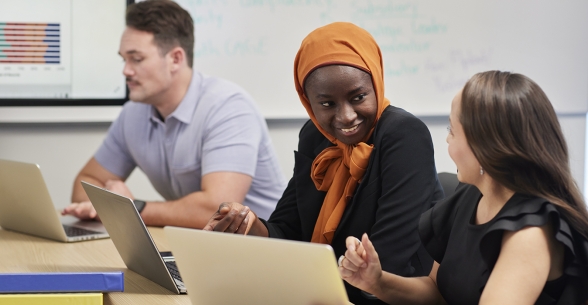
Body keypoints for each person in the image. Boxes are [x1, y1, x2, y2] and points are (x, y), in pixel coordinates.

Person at [203, 22, 444, 305]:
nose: (346, 117)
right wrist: (249, 225)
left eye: (358, 97)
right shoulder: (315, 135)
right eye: (327, 104)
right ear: (308, 102)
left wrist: (301, 283)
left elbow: (387, 262)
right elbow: (289, 232)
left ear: (376, 83)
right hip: (325, 293)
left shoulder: (403, 135)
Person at [339, 71, 588, 304]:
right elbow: (437, 292)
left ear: (485, 148)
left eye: (452, 131)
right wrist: (377, 281)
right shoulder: (470, 196)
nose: (447, 139)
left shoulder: (531, 232)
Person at [62, 0, 286, 228]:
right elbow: (84, 185)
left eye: (136, 59)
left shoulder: (228, 107)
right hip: (200, 242)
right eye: (124, 59)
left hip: (264, 250)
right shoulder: (133, 113)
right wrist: (107, 206)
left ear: (176, 59)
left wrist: (132, 208)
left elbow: (217, 210)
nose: (126, 71)